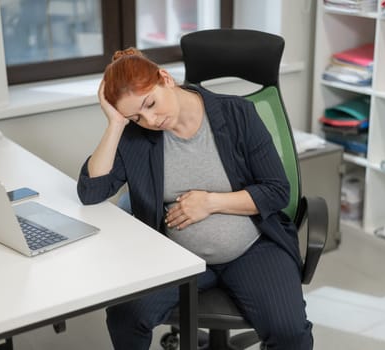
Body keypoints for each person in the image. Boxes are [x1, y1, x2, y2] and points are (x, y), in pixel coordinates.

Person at [77, 47, 313, 349]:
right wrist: (116, 124)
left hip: (253, 249)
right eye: (136, 116)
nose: (150, 119)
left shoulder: (237, 113)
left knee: (290, 332)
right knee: (125, 313)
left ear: (165, 77)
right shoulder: (136, 137)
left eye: (150, 103)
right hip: (178, 260)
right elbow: (91, 191)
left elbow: (277, 190)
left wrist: (211, 202)